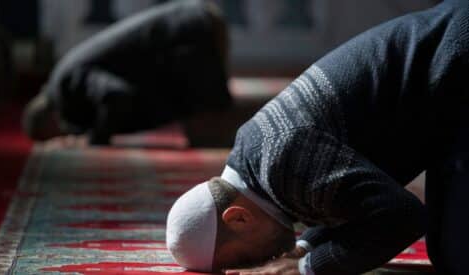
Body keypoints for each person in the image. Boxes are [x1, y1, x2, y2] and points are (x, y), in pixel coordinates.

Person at [166, 1, 469, 274]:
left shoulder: (284, 162)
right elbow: (349, 203)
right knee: (446, 251)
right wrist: (304, 249)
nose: (261, 267)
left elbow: (403, 217)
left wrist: (306, 269)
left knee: (460, 257)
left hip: (459, 62)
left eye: (246, 260)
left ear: (238, 219)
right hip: (447, 90)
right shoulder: (256, 156)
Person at [22, 0, 231, 145]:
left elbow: (115, 96)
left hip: (193, 32)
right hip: (197, 21)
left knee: (210, 137)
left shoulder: (66, 86)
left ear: (49, 122)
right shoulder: (62, 79)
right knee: (204, 134)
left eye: (52, 136)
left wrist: (96, 138)